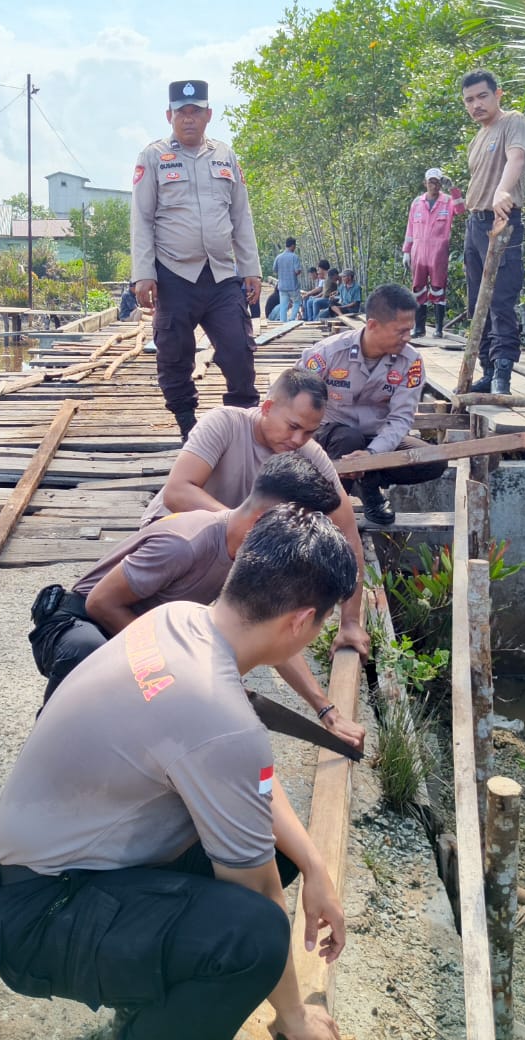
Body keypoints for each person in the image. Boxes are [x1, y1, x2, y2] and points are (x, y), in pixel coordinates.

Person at [0, 505, 358, 1040]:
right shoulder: (219, 717)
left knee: (278, 854)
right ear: (300, 621)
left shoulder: (175, 619)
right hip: (41, 920)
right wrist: (295, 1019)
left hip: (39, 880)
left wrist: (315, 865)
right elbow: (256, 892)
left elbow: (251, 781)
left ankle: (146, 998)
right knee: (255, 939)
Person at [28, 454, 363, 750]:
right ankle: (50, 741)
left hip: (142, 638)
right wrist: (171, 661)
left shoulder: (250, 555)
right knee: (86, 650)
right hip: (75, 626)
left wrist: (327, 712)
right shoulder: (185, 543)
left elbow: (272, 634)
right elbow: (100, 603)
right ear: (264, 521)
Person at [143, 368, 372, 657]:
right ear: (267, 407)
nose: (299, 439)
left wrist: (350, 622)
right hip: (178, 537)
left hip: (236, 545)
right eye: (292, 426)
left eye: (310, 432)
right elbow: (177, 492)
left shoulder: (310, 454)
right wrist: (243, 526)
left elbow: (349, 534)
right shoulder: (224, 423)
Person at [131, 80, 261, 440]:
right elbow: (141, 218)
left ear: (208, 115)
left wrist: (250, 268)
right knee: (175, 355)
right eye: (181, 112)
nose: (189, 119)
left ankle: (242, 426)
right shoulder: (153, 157)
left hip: (221, 275)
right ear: (170, 115)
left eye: (196, 112)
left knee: (238, 350)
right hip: (173, 275)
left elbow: (241, 214)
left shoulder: (225, 156)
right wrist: (143, 274)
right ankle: (188, 427)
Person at [298, 284, 444, 528]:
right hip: (331, 438)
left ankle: (367, 483)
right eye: (401, 331)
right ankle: (329, 506)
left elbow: (400, 419)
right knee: (349, 438)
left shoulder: (411, 362)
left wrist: (372, 455)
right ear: (373, 325)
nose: (408, 337)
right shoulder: (329, 353)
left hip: (378, 440)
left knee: (434, 461)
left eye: (410, 330)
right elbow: (293, 394)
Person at [460, 71, 525, 395]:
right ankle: (488, 371)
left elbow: (515, 158)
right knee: (478, 303)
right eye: (469, 100)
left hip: (501, 220)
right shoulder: (477, 138)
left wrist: (502, 191)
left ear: (497, 94)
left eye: (482, 96)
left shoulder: (512, 121)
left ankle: (503, 376)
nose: (476, 104)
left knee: (501, 300)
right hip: (475, 224)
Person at [402, 167, 462, 337]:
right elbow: (410, 228)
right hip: (418, 251)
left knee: (438, 288)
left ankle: (438, 329)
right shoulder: (417, 203)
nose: (434, 186)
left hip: (438, 252)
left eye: (437, 182)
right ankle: (419, 327)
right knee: (418, 288)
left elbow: (461, 210)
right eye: (431, 182)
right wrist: (406, 251)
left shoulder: (448, 201)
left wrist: (454, 188)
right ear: (425, 183)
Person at [274, 235, 303, 321]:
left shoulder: (278, 257)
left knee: (283, 305)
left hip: (282, 286)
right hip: (292, 285)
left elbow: (275, 270)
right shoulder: (294, 257)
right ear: (293, 246)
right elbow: (297, 271)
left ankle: (283, 322)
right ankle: (292, 319)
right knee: (297, 302)